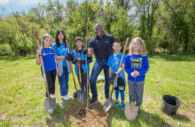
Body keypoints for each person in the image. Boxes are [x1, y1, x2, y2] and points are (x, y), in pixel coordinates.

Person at [88, 23, 115, 104]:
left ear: (102, 28)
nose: (98, 30)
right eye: (96, 29)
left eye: (99, 28)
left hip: (109, 62)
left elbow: (116, 47)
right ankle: (94, 97)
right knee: (92, 80)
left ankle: (107, 97)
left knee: (108, 81)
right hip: (98, 61)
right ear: (95, 30)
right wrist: (88, 52)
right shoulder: (92, 40)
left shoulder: (110, 37)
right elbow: (90, 51)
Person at [125, 37, 149, 114]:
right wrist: (131, 73)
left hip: (140, 79)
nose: (135, 45)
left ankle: (137, 108)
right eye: (134, 43)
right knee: (131, 94)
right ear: (131, 45)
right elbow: (126, 67)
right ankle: (132, 108)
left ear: (141, 45)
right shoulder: (128, 56)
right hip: (131, 79)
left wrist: (139, 73)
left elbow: (146, 68)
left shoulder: (144, 56)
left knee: (139, 94)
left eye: (137, 44)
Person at [36, 34, 57, 100]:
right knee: (49, 85)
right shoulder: (40, 50)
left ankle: (53, 97)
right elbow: (38, 63)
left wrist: (57, 69)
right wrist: (38, 54)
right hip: (46, 70)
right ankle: (47, 97)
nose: (48, 42)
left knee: (53, 84)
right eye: (47, 40)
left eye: (50, 40)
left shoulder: (51, 49)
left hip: (53, 69)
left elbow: (54, 60)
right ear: (43, 40)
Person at [52, 29, 72, 101]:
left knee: (66, 81)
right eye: (59, 34)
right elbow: (55, 56)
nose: (61, 35)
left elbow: (70, 53)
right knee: (62, 81)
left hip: (67, 65)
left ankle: (66, 93)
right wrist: (65, 57)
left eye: (62, 34)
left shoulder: (67, 45)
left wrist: (70, 56)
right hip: (60, 65)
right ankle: (63, 95)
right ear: (57, 36)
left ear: (64, 35)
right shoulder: (54, 45)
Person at [108, 41, 126, 109]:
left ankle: (122, 102)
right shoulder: (111, 57)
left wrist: (116, 73)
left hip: (120, 76)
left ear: (121, 47)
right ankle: (116, 100)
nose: (117, 47)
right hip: (114, 76)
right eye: (115, 46)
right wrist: (110, 76)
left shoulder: (123, 56)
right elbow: (110, 67)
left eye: (118, 46)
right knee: (116, 89)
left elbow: (123, 66)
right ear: (113, 47)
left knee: (121, 89)